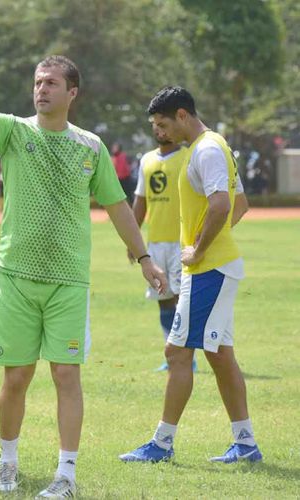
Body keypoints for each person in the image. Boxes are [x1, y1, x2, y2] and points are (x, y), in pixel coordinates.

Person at [0, 55, 166, 497]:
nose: (41, 89)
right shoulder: (14, 131)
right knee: (15, 377)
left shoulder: (91, 147)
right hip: (16, 279)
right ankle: (8, 465)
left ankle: (67, 475)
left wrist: (145, 259)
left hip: (68, 282)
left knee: (66, 375)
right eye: (38, 82)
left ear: (72, 93)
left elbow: (117, 206)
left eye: (52, 83)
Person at [120, 86, 257, 465]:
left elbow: (222, 205)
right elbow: (240, 205)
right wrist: (214, 242)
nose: (160, 132)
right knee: (218, 355)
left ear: (182, 115)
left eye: (163, 124)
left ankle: (161, 445)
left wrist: (199, 248)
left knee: (177, 352)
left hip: (209, 269)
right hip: (214, 266)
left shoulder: (207, 149)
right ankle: (245, 443)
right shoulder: (216, 145)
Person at [131, 120, 195, 372]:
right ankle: (172, 355)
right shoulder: (146, 160)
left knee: (182, 299)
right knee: (163, 299)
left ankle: (188, 357)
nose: (159, 130)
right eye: (155, 125)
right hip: (155, 245)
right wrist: (133, 241)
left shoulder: (189, 156)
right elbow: (141, 200)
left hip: (182, 243)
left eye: (163, 124)